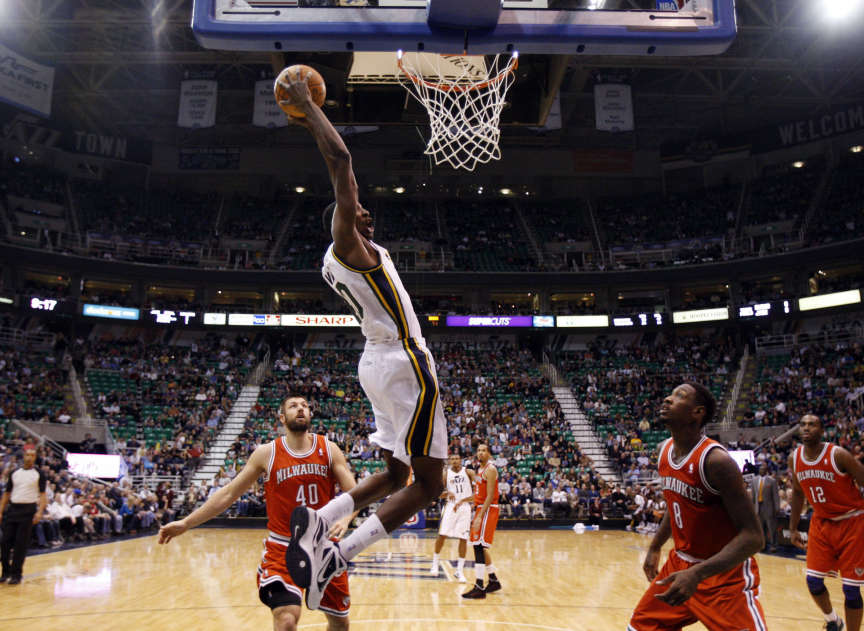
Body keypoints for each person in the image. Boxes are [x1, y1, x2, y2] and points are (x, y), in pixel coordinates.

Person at [275, 70, 447, 610]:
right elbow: (342, 164)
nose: (365, 209)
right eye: (356, 209)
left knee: (396, 471)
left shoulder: (340, 260)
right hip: (403, 361)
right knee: (428, 485)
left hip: (375, 363)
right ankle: (339, 554)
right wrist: (307, 111)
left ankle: (321, 519)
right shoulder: (349, 246)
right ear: (343, 222)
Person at [158, 396, 358, 630]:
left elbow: (355, 493)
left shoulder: (329, 448)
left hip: (324, 547)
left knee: (340, 624)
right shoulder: (267, 453)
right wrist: (186, 523)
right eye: (293, 406)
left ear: (311, 415)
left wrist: (346, 518)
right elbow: (229, 493)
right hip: (284, 548)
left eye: (304, 405)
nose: (301, 409)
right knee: (286, 620)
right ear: (282, 418)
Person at [627, 383, 767, 631]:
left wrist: (698, 573)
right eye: (670, 393)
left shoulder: (716, 461)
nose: (668, 399)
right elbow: (676, 504)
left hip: (724, 576)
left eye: (680, 396)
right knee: (640, 627)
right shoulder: (664, 450)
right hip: (679, 566)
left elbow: (754, 537)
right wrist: (656, 546)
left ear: (697, 412)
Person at [789, 414, 864, 631]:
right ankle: (833, 620)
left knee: (851, 590)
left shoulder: (838, 455)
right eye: (802, 424)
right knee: (813, 582)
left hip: (852, 522)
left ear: (822, 430)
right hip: (821, 523)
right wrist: (793, 528)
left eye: (812, 424)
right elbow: (796, 493)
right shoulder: (795, 458)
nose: (806, 428)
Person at [0, 445, 47, 584]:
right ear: (24, 456)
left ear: (35, 457)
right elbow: (7, 494)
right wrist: (1, 511)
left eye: (33, 455)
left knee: (21, 544)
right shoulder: (15, 472)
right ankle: (5, 572)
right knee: (5, 543)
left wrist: (39, 511)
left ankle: (16, 574)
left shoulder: (39, 473)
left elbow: (43, 495)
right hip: (13, 509)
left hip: (28, 511)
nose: (30, 457)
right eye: (28, 455)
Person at [462, 443, 501, 599]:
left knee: (478, 546)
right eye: (478, 450)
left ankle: (479, 586)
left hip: (488, 509)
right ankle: (493, 580)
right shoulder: (479, 471)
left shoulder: (490, 470)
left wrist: (479, 516)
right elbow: (479, 493)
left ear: (489, 453)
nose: (480, 453)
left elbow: (490, 495)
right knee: (479, 546)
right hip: (481, 508)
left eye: (484, 450)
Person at [431, 453, 473, 582]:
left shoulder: (469, 472)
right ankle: (435, 563)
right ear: (449, 461)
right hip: (451, 506)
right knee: (442, 535)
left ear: (461, 460)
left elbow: (478, 490)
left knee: (463, 538)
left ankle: (459, 571)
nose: (455, 461)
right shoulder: (446, 474)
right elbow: (437, 494)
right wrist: (446, 493)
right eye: (452, 459)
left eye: (457, 458)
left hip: (465, 506)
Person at [750, 463, 781, 552]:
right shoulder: (754, 480)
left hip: (768, 507)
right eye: (760, 469)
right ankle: (762, 545)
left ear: (766, 471)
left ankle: (774, 545)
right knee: (760, 528)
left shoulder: (772, 481)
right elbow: (753, 496)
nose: (761, 470)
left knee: (771, 527)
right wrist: (752, 508)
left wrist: (777, 508)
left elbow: (775, 496)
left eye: (763, 469)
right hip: (758, 507)